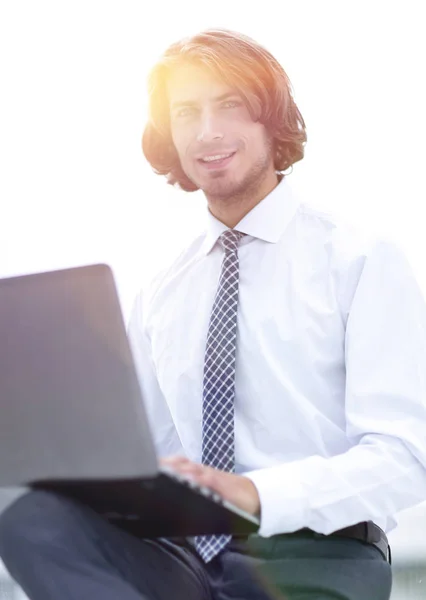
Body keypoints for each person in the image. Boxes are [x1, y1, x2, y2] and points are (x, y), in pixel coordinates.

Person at [1, 27, 426, 600]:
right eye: (185, 113)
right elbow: (146, 456)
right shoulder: (161, 289)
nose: (207, 132)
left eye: (229, 106)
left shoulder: (359, 257)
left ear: (270, 121)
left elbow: (406, 456)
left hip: (319, 552)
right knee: (28, 512)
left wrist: (255, 495)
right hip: (187, 558)